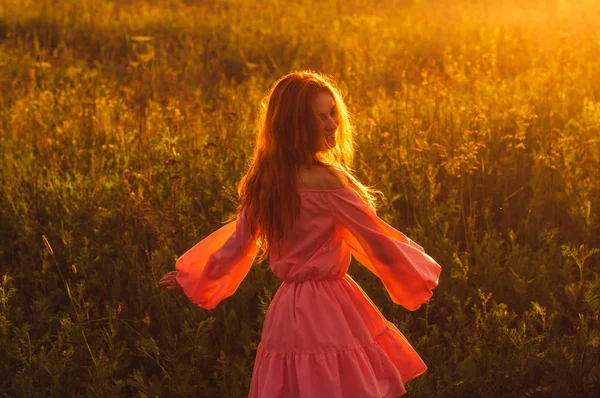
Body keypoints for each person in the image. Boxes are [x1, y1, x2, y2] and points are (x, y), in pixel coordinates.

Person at [159, 70, 442, 397]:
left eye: (332, 112)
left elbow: (236, 246)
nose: (332, 123)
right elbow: (376, 239)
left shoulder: (267, 180)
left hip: (288, 310)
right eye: (319, 117)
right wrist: (417, 273)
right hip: (330, 306)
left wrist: (193, 277)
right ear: (296, 125)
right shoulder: (326, 180)